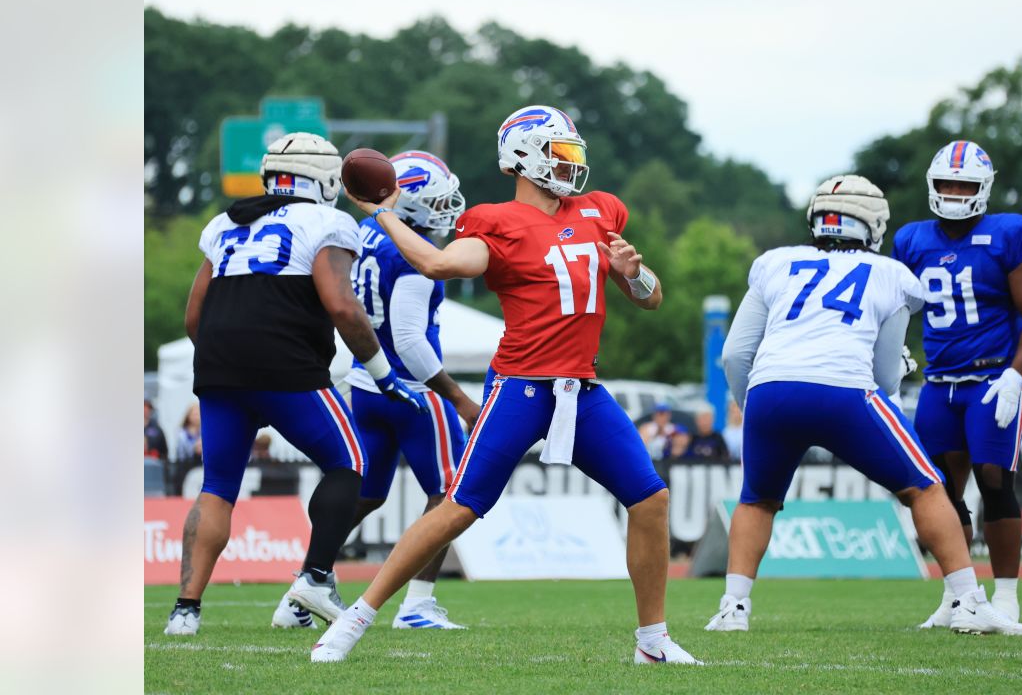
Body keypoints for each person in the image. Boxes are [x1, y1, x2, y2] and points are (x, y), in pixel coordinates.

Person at [310, 105, 701, 664]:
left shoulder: (600, 210)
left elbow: (651, 297)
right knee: (458, 506)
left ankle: (653, 642)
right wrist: (383, 216)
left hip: (582, 391)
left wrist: (634, 271)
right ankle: (355, 620)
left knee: (650, 498)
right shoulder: (496, 222)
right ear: (523, 158)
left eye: (573, 153)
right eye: (559, 153)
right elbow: (440, 264)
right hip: (520, 387)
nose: (571, 166)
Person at [705, 175, 1022, 636]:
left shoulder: (775, 263)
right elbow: (883, 378)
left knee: (757, 499)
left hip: (771, 390)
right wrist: (899, 366)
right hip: (844, 391)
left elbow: (735, 353)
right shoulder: (892, 275)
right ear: (871, 224)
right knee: (927, 487)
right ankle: (969, 601)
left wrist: (752, 406)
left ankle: (733, 608)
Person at [163, 132, 428, 636]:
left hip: (218, 365)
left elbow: (194, 316)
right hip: (284, 363)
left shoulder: (223, 223)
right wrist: (383, 375)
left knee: (217, 488)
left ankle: (185, 612)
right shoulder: (328, 220)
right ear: (325, 180)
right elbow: (342, 306)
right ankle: (315, 577)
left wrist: (231, 370)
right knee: (349, 462)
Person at [270, 150, 481, 632]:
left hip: (367, 384)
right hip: (413, 391)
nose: (445, 209)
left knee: (365, 494)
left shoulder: (361, 232)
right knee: (450, 492)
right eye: (436, 200)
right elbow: (409, 339)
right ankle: (418, 605)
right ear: (406, 203)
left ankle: (305, 586)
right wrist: (457, 397)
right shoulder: (412, 252)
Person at [891, 140, 1022, 628]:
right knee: (938, 490)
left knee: (995, 480)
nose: (954, 193)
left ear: (983, 189)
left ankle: (1006, 596)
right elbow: (897, 306)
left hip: (992, 377)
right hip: (939, 382)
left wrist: (1015, 373)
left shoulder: (1008, 234)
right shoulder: (913, 239)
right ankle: (959, 596)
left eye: (964, 185)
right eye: (946, 184)